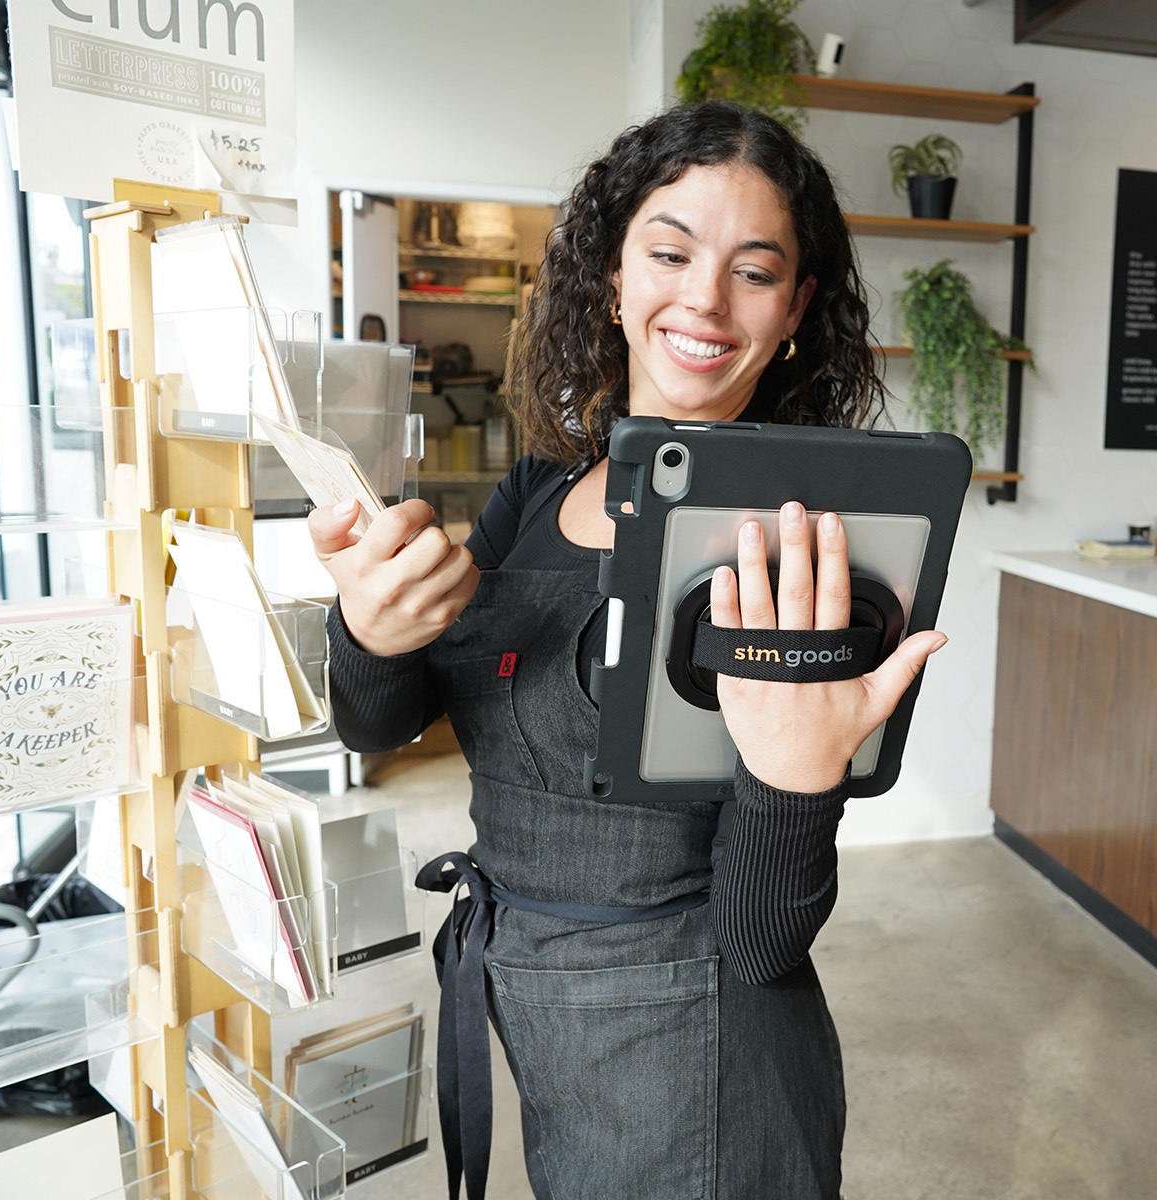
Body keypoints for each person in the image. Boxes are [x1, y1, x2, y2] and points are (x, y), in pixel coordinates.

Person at [308, 101, 949, 1200]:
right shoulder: (542, 489)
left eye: (754, 271)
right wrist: (371, 631)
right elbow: (377, 723)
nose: (703, 297)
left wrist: (801, 778)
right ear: (612, 276)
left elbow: (761, 943)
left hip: (699, 1047)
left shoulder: (796, 551)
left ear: (794, 310)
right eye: (669, 252)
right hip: (533, 997)